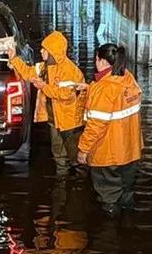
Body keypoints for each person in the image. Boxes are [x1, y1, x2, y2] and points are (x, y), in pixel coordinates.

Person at [76, 44, 143, 216]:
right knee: (127, 195)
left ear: (103, 61)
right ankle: (127, 230)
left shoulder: (103, 89)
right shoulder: (128, 79)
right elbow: (116, 101)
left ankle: (108, 237)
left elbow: (96, 125)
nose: (95, 63)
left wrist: (83, 150)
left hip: (108, 155)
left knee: (109, 198)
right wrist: (90, 89)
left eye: (96, 59)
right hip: (131, 151)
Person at [7, 31, 86, 175]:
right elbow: (28, 72)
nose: (41, 51)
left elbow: (65, 95)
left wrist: (44, 87)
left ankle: (76, 185)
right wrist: (14, 59)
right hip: (54, 120)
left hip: (70, 122)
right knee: (59, 156)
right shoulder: (45, 67)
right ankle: (65, 184)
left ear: (52, 52)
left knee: (76, 158)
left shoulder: (70, 71)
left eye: (45, 49)